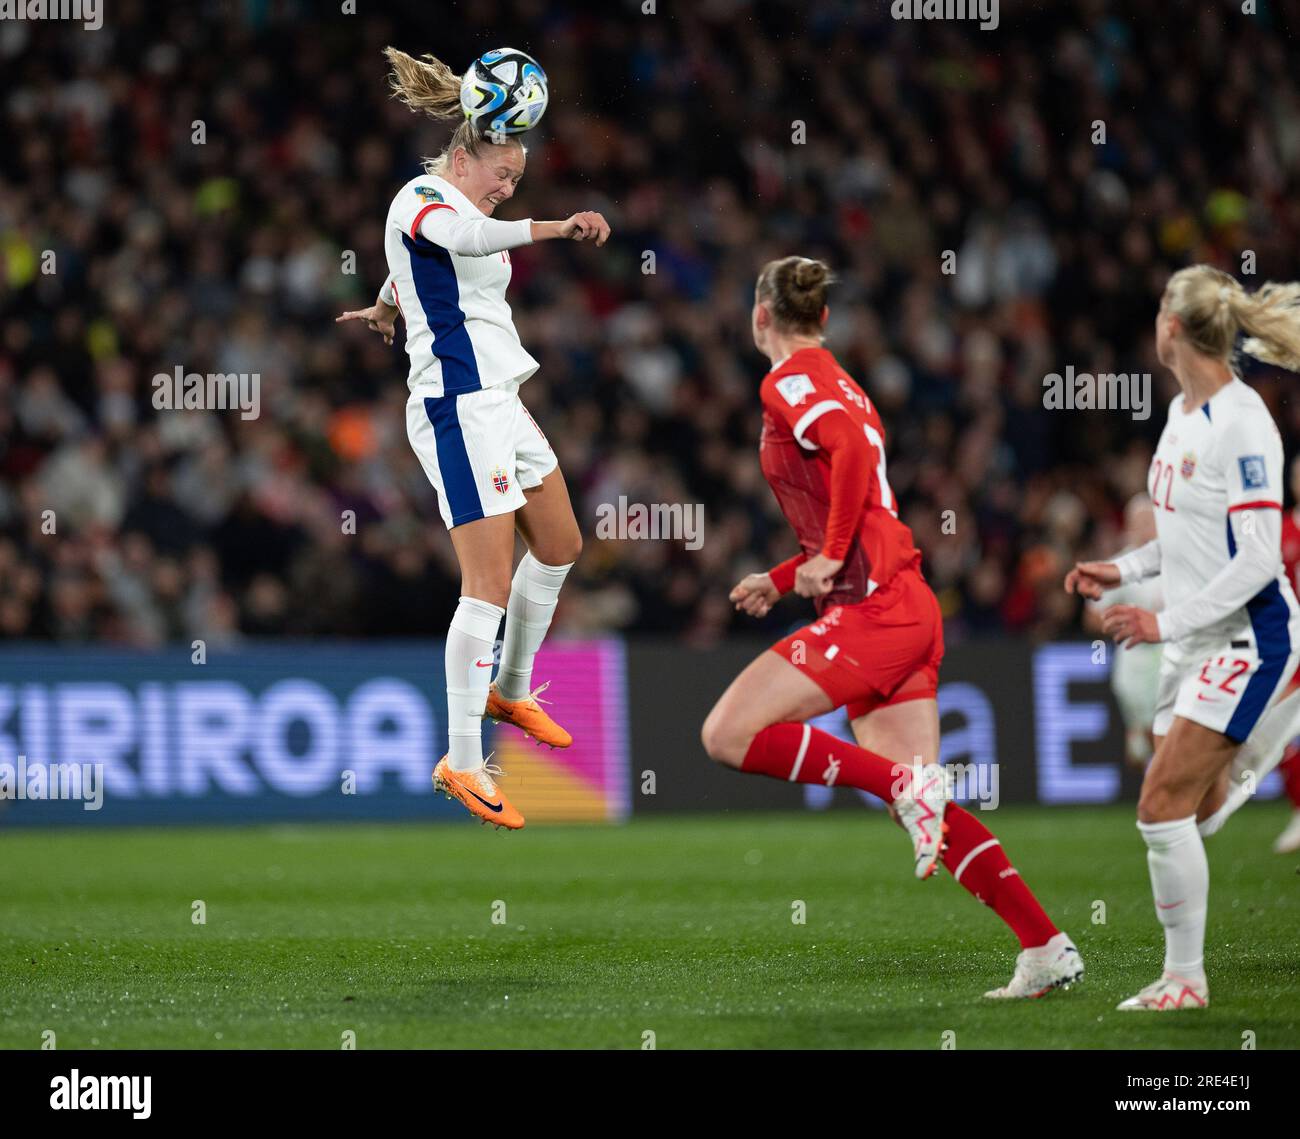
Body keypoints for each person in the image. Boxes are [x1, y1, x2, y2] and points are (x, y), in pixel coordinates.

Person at [703, 255, 1083, 999]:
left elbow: (844, 455)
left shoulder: (789, 381)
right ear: (825, 318)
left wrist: (831, 555)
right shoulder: (843, 381)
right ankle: (1044, 943)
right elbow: (854, 491)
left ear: (759, 317)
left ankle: (902, 783)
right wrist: (783, 577)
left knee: (726, 734)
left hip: (873, 607)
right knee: (925, 804)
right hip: (903, 601)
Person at [337, 47, 611, 830]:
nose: (507, 186)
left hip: (501, 401)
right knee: (484, 585)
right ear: (464, 154)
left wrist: (389, 303)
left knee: (559, 544)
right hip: (458, 408)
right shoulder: (421, 197)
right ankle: (462, 759)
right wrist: (554, 224)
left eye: (518, 180)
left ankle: (512, 689)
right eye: (501, 172)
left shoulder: (454, 211)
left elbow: (429, 257)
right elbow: (458, 238)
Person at [1066, 265, 1300, 1010]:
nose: (1154, 316)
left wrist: (1160, 618)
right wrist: (1121, 568)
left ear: (1174, 326)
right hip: (1194, 645)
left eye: (1161, 303)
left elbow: (1260, 558)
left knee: (1159, 805)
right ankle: (1266, 748)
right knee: (1189, 815)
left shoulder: (1244, 422)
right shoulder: (1179, 413)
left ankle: (1184, 980)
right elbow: (1179, 537)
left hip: (1247, 640)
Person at [1083, 494, 1163, 767]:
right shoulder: (1119, 566)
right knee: (1149, 737)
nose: (1145, 526)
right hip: (1136, 658)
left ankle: (1163, 791)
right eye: (1139, 521)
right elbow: (1092, 614)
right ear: (1128, 525)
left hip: (1173, 653)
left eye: (1150, 519)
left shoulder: (1177, 558)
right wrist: (1122, 623)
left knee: (1168, 730)